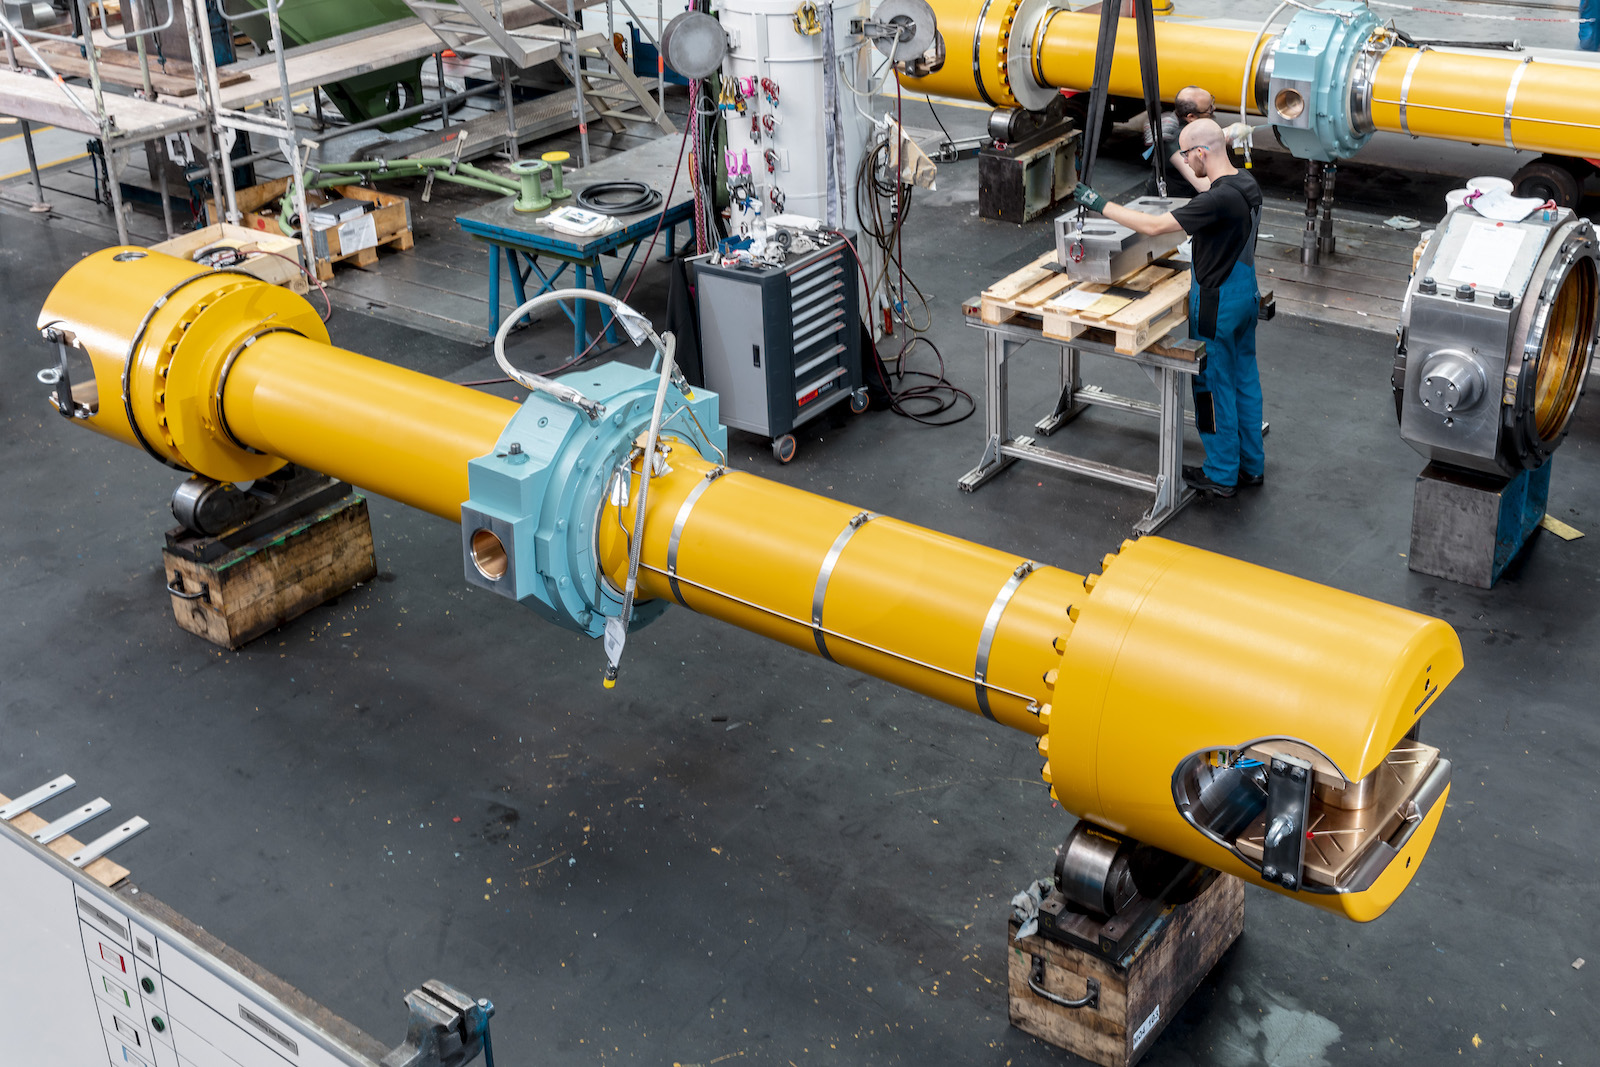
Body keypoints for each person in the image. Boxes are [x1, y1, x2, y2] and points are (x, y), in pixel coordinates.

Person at [1074, 118, 1264, 498]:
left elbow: (1155, 226)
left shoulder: (1215, 199)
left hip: (1217, 302)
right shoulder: (1243, 183)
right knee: (1244, 379)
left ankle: (1222, 473)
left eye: (1188, 156)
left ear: (1202, 152)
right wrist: (1172, 156)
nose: (1188, 162)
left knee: (1212, 386)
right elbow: (1206, 183)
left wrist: (1100, 204)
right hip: (1246, 295)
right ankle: (1250, 465)